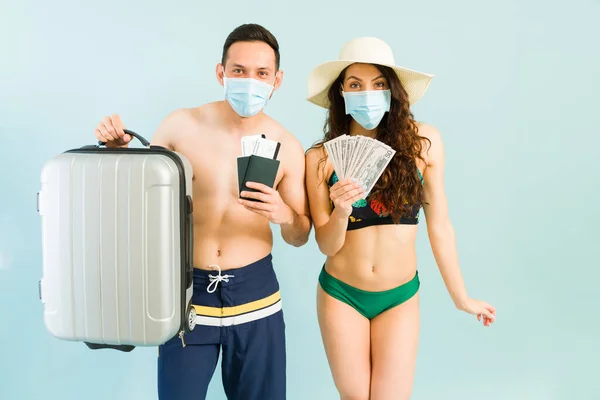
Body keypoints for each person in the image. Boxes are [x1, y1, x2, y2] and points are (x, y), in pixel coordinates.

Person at [93, 23, 311, 400]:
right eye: (239, 71)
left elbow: (300, 235)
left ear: (277, 80)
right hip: (187, 298)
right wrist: (116, 151)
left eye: (261, 73)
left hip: (257, 299)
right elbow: (139, 201)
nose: (250, 81)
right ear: (220, 72)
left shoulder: (287, 146)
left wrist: (285, 215)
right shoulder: (181, 125)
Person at [304, 36, 496, 399]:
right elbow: (326, 244)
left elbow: (440, 226)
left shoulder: (425, 143)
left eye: (378, 84)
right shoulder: (320, 158)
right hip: (341, 294)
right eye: (355, 85)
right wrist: (341, 209)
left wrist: (461, 297)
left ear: (393, 91)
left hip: (400, 296)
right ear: (340, 93)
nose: (368, 93)